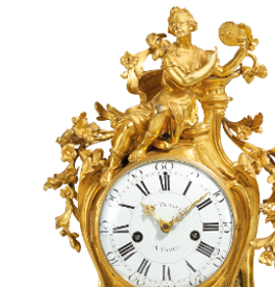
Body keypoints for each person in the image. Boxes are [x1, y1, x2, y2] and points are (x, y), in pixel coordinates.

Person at [102, 7, 248, 184]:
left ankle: (142, 147)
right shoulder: (170, 55)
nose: (177, 27)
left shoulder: (200, 54)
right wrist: (209, 66)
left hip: (182, 105)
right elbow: (185, 81)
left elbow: (223, 71)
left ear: (191, 26)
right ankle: (112, 168)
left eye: (181, 23)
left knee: (160, 111)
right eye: (173, 24)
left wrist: (242, 52)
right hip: (158, 101)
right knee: (128, 125)